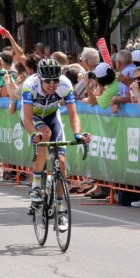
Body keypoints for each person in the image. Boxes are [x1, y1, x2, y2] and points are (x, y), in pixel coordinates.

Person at [22, 59, 91, 230]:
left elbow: (73, 115)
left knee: (61, 161)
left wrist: (77, 134)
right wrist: (33, 134)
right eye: (48, 81)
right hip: (34, 119)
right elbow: (28, 118)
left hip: (53, 117)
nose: (52, 84)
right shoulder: (29, 86)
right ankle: (36, 185)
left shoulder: (65, 85)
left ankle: (61, 211)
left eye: (55, 80)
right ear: (39, 78)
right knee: (45, 134)